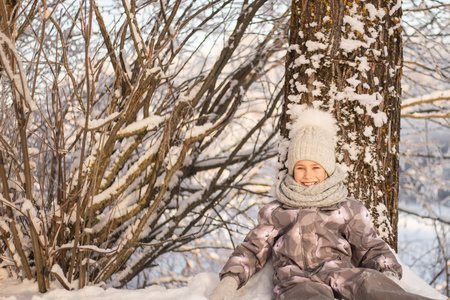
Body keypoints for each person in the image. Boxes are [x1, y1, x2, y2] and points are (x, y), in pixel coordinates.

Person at [208, 108, 432, 300]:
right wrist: (230, 279)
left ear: (327, 170)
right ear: (292, 169)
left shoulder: (347, 209)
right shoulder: (277, 211)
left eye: (316, 168)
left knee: (370, 283)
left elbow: (370, 245)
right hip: (295, 281)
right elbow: (252, 249)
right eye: (300, 168)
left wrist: (387, 272)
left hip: (341, 274)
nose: (308, 175)